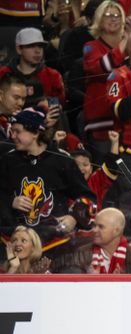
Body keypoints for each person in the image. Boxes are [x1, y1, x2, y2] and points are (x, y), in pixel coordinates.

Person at [0, 106, 94, 257]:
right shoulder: (7, 160)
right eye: (12, 131)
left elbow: (88, 198)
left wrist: (74, 217)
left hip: (55, 243)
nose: (12, 136)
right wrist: (11, 201)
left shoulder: (62, 160)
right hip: (14, 243)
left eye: (18, 131)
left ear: (35, 133)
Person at [82, 0, 128, 160]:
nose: (113, 18)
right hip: (102, 124)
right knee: (107, 173)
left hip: (129, 124)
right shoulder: (90, 47)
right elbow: (101, 70)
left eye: (117, 15)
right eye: (108, 15)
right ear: (99, 19)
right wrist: (124, 45)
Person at [0, 28, 65, 108]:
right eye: (31, 46)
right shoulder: (3, 73)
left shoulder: (53, 75)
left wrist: (48, 104)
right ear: (19, 49)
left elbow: (61, 103)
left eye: (40, 46)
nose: (38, 51)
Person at [0, 75, 27, 146]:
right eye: (16, 98)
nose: (21, 103)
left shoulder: (20, 121)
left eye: (23, 99)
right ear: (1, 95)